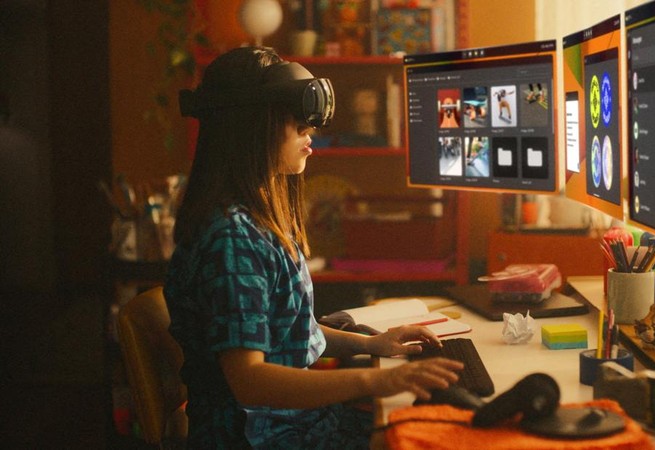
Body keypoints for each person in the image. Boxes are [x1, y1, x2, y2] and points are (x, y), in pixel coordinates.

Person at [164, 46, 463, 449]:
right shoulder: (231, 240)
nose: (310, 131)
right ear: (251, 125)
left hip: (293, 425)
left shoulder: (255, 221)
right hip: (261, 437)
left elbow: (286, 334)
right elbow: (250, 380)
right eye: (296, 120)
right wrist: (377, 378)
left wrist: (371, 344)